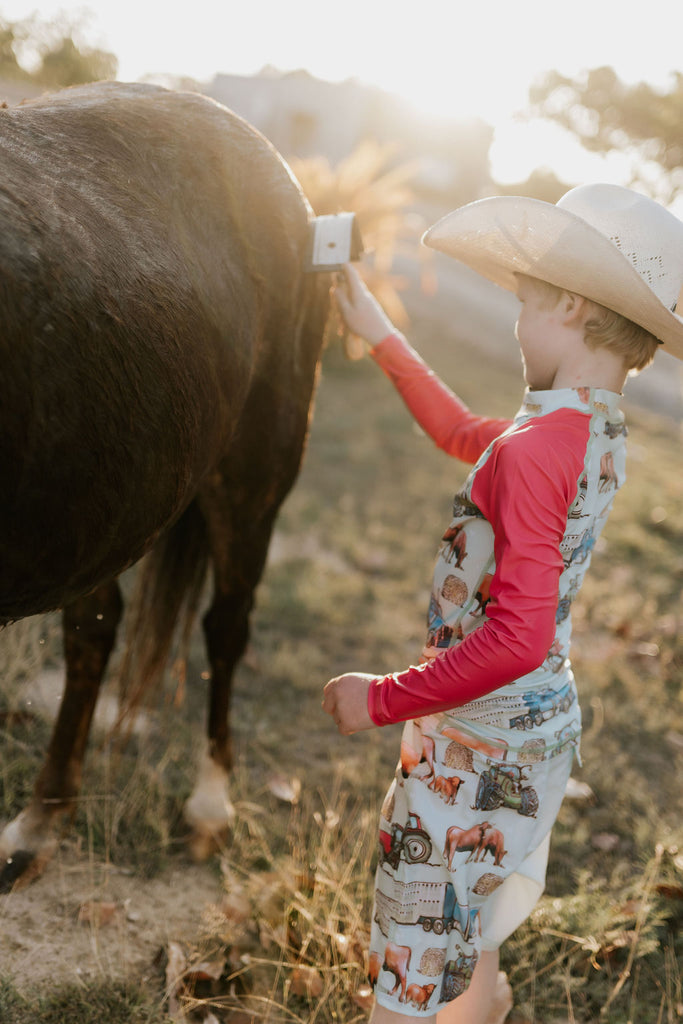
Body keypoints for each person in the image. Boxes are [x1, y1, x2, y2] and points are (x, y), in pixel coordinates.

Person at [321, 184, 683, 1024]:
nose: (517, 324)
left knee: (417, 933)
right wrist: (380, 333)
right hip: (540, 730)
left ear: (565, 304)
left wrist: (379, 697)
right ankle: (478, 1006)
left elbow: (512, 637)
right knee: (469, 905)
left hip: (477, 735)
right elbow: (461, 435)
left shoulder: (534, 451)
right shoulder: (592, 428)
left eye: (524, 305)